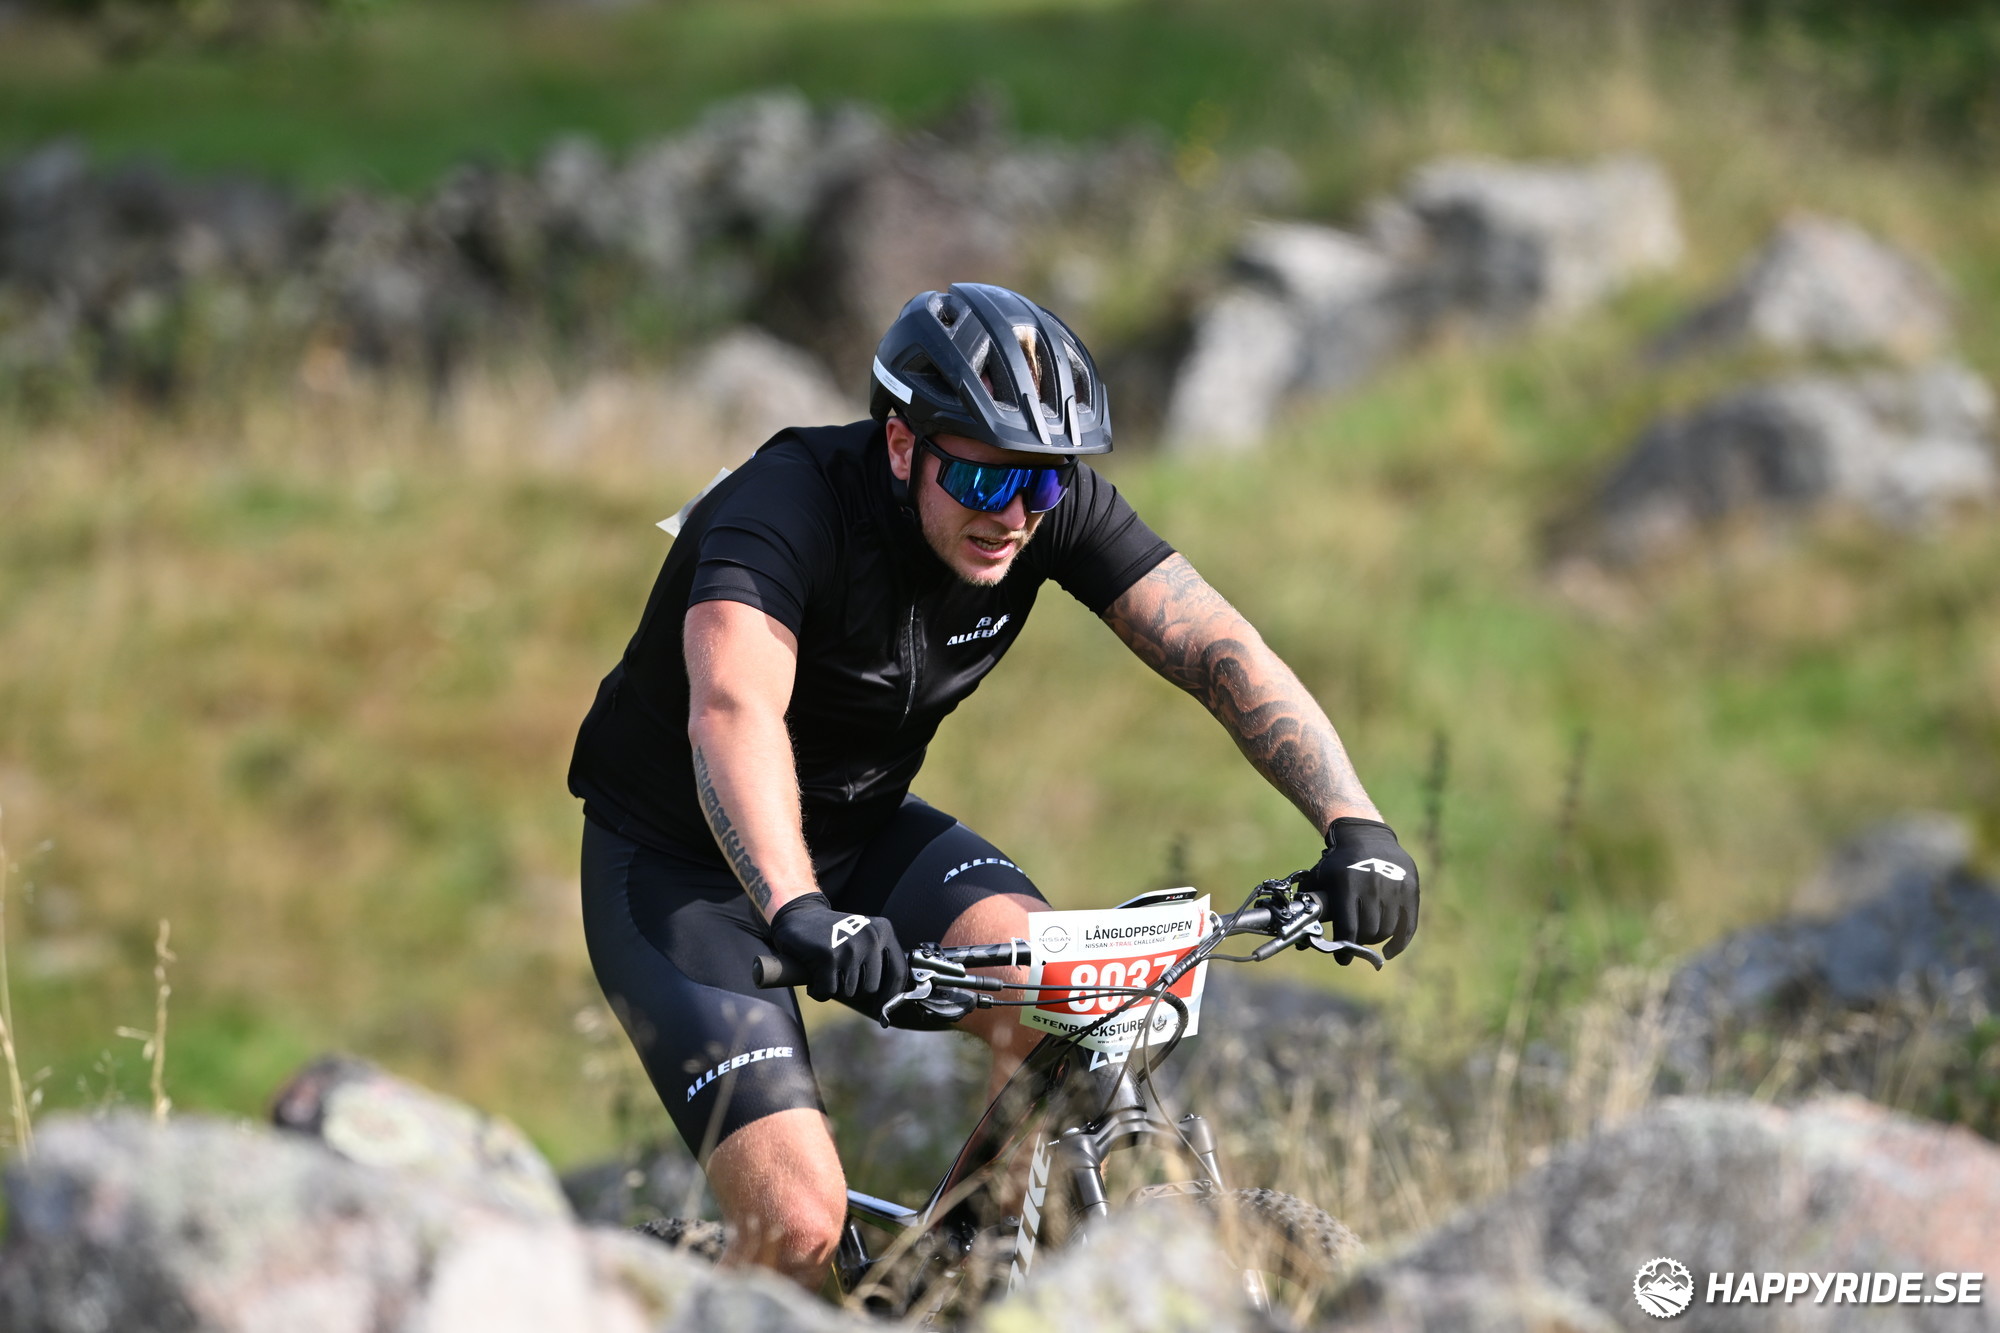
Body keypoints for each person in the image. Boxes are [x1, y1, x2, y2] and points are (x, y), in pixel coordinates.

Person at [568, 282, 1419, 1288]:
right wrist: (799, 909)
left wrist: (1355, 824)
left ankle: (978, 1275)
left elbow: (1213, 645)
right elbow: (731, 709)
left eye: (1042, 483)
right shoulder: (782, 507)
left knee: (1072, 1009)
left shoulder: (1035, 504)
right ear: (901, 444)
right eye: (981, 479)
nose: (1013, 514)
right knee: (799, 1229)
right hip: (681, 871)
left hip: (861, 831)